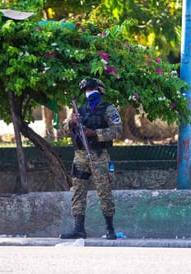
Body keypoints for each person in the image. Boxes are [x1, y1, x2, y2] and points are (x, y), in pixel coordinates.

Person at [59, 78, 123, 240]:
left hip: (99, 155)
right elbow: (64, 131)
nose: (89, 92)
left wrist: (95, 133)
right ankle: (79, 229)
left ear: (99, 90)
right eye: (86, 89)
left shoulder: (108, 109)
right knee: (78, 192)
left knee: (104, 192)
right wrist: (72, 123)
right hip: (80, 156)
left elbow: (117, 131)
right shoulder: (79, 109)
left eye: (91, 89)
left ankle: (110, 229)